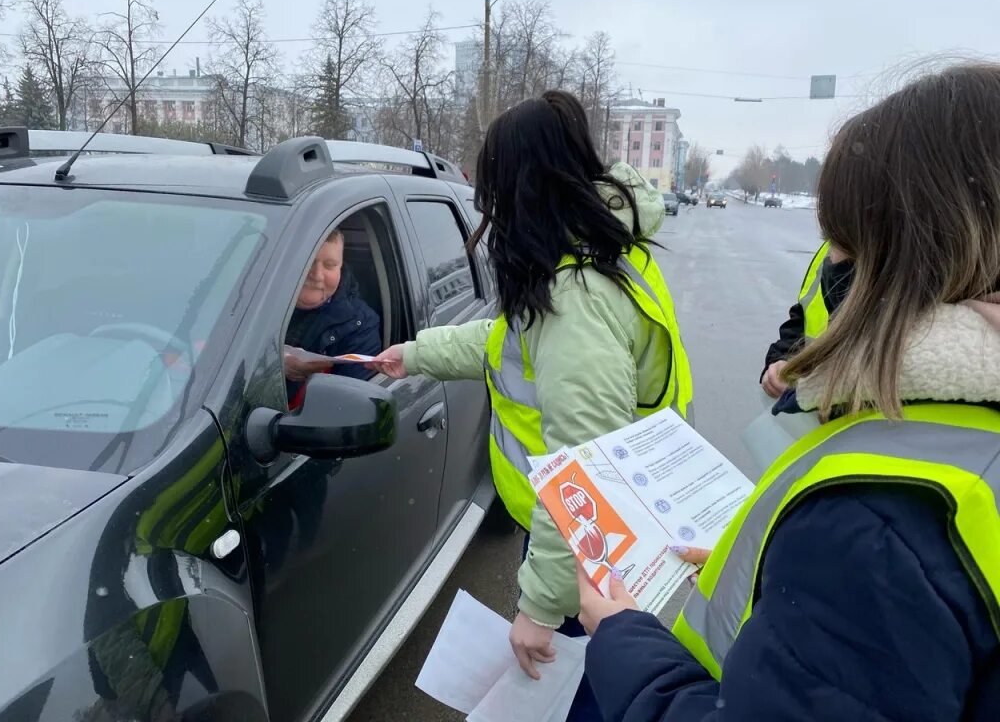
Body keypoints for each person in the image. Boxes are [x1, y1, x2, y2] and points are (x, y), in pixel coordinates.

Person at [576, 62, 1000, 722]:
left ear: (903, 256)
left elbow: (888, 591)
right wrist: (790, 590)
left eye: (845, 241)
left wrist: (623, 640)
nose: (830, 263)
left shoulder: (880, 521)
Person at [370, 90, 692, 721]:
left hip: (595, 551)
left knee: (572, 701)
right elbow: (508, 344)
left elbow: (582, 472)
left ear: (525, 189)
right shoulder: (589, 261)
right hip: (604, 534)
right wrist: (413, 353)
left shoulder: (575, 300)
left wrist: (540, 610)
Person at [284, 229, 381, 407]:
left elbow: (345, 407)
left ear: (341, 267)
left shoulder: (360, 324)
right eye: (308, 262)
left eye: (329, 265)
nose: (317, 275)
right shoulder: (256, 300)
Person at [760, 241, 855, 399]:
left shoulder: (902, 256)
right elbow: (805, 315)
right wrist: (784, 360)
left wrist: (816, 391)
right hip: (813, 407)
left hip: (860, 416)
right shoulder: (833, 242)